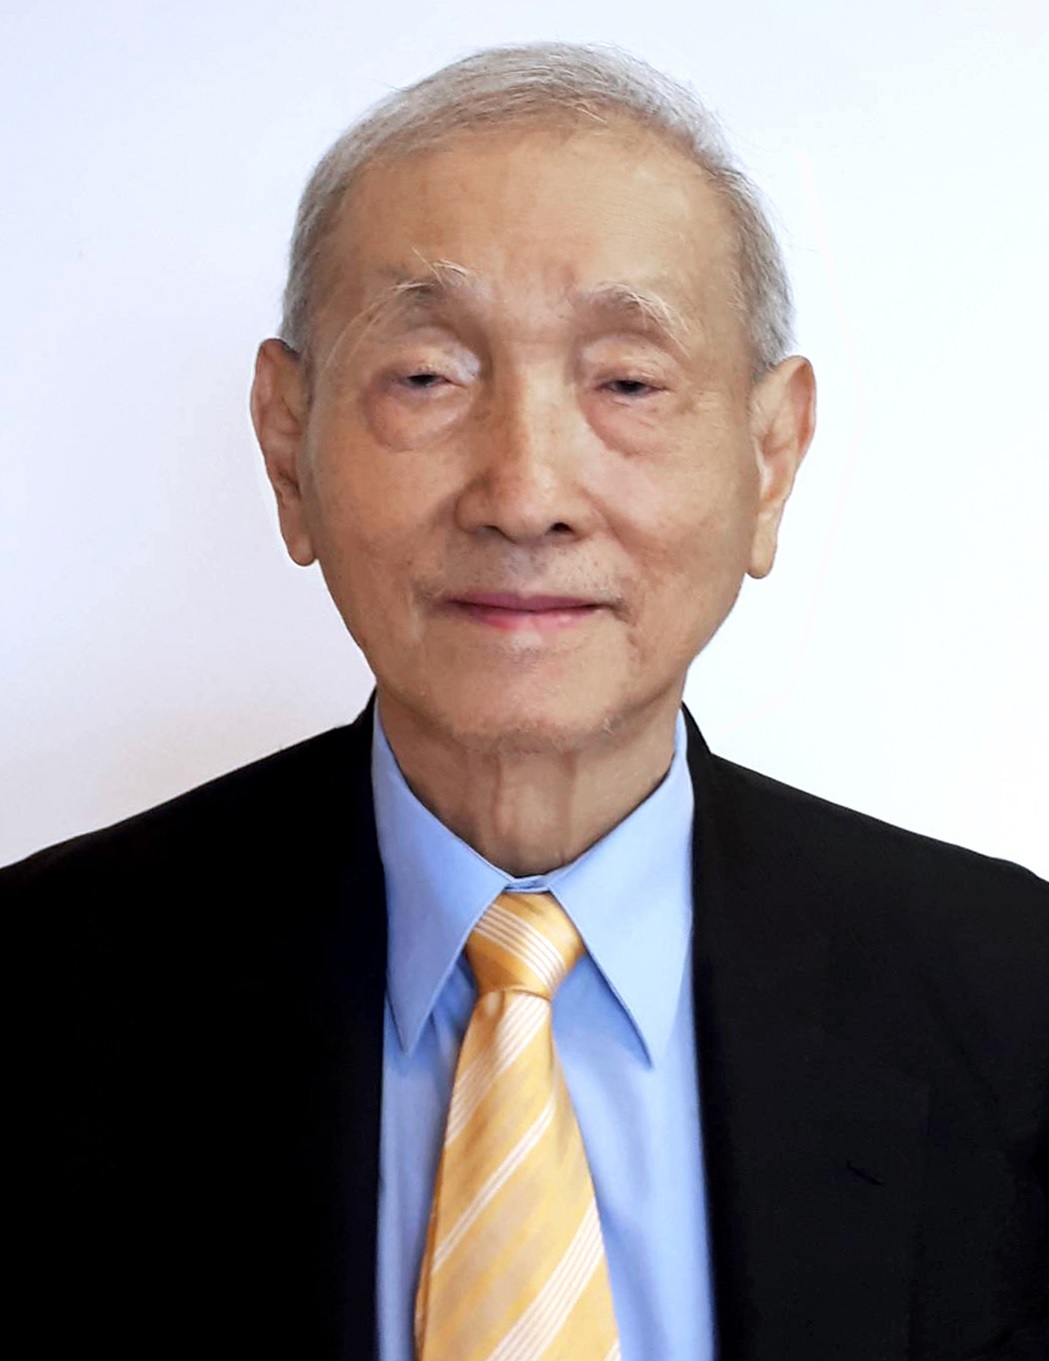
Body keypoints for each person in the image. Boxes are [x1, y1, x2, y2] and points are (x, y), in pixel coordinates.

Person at [5, 41, 1047, 1361]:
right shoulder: (39, 997)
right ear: (286, 447)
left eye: (626, 382)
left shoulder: (1014, 1001)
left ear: (771, 455)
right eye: (428, 376)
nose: (524, 492)